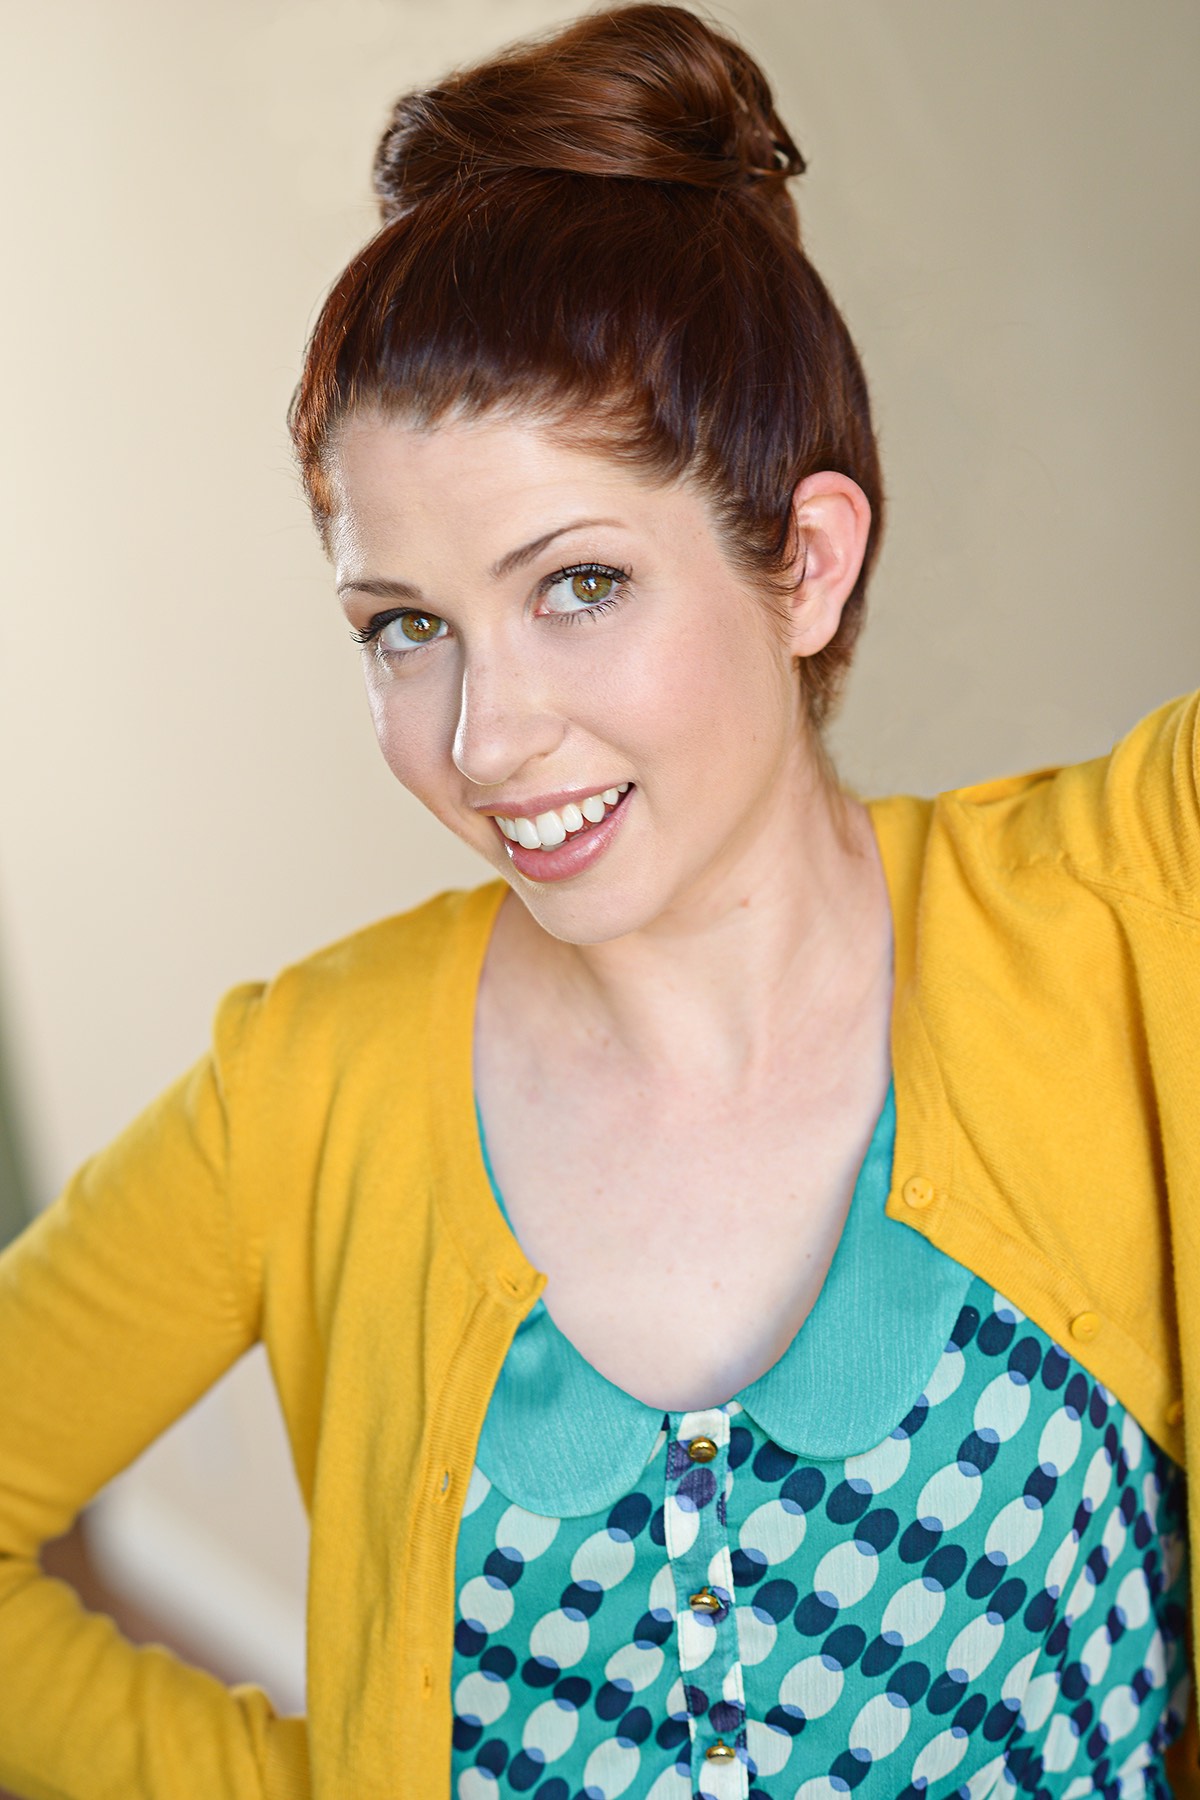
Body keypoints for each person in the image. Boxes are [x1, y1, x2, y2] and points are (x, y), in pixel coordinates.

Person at [0, 6, 1196, 1798]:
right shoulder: (303, 1092)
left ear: (806, 563)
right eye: (407, 625)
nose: (483, 738)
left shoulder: (1134, 899)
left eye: (577, 585)